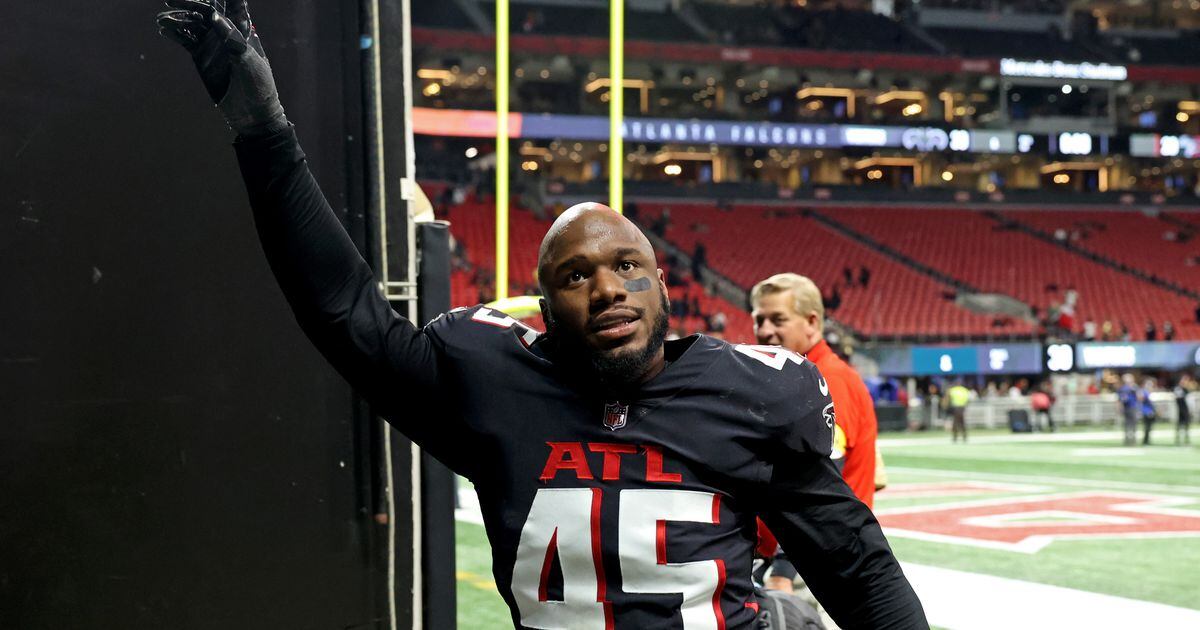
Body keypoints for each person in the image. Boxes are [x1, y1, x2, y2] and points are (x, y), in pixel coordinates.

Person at [156, 4, 926, 628]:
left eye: (627, 266)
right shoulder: (494, 381)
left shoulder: (755, 394)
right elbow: (343, 312)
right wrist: (265, 138)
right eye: (575, 275)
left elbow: (861, 574)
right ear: (544, 309)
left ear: (663, 286)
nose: (607, 288)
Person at [749, 273, 882, 598]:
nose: (764, 330)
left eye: (778, 319)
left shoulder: (828, 379)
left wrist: (783, 571)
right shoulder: (797, 375)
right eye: (759, 319)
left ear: (811, 322)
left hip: (816, 567)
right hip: (803, 559)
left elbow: (818, 488)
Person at [1117, 374, 1140, 446]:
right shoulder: (1123, 388)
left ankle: (1132, 440)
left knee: (1133, 425)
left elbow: (1139, 397)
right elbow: (1120, 400)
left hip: (1133, 407)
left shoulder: (1135, 388)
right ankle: (1128, 440)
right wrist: (1119, 408)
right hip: (1127, 408)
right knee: (1127, 425)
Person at [1174, 375, 1193, 446]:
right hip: (1180, 410)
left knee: (1186, 425)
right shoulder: (1178, 389)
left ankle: (1186, 440)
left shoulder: (1186, 390)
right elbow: (1178, 396)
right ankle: (1177, 440)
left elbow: (1189, 400)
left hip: (1186, 410)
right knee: (1179, 425)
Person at [1141, 378, 1158, 445]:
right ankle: (1145, 441)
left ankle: (1147, 440)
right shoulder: (1145, 392)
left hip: (1150, 412)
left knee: (1149, 427)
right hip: (1147, 412)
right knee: (1147, 427)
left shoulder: (1149, 392)